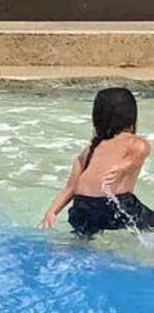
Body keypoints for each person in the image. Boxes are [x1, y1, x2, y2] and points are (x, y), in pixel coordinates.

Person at [42, 87, 154, 236]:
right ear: (131, 117)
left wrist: (52, 212)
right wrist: (124, 166)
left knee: (81, 241)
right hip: (115, 204)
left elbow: (71, 188)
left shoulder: (90, 150)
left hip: (82, 207)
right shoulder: (133, 142)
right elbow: (144, 148)